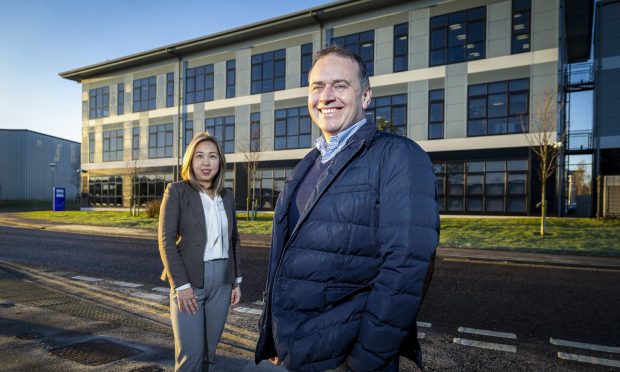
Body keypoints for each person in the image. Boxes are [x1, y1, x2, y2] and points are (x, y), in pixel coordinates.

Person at [255, 46, 439, 372]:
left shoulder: (398, 156)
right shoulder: (309, 165)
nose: (326, 96)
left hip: (348, 360)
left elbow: (407, 269)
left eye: (340, 85)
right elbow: (286, 257)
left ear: (365, 96)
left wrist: (366, 360)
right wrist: (276, 335)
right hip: (299, 351)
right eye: (317, 86)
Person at [159, 132, 242, 371]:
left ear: (220, 162)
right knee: (190, 357)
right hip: (190, 281)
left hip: (222, 282)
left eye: (212, 156)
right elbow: (165, 241)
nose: (206, 163)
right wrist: (181, 286)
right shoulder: (177, 191)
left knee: (209, 355)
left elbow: (234, 239)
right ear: (190, 161)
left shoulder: (226, 196)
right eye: (200, 156)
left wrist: (236, 280)